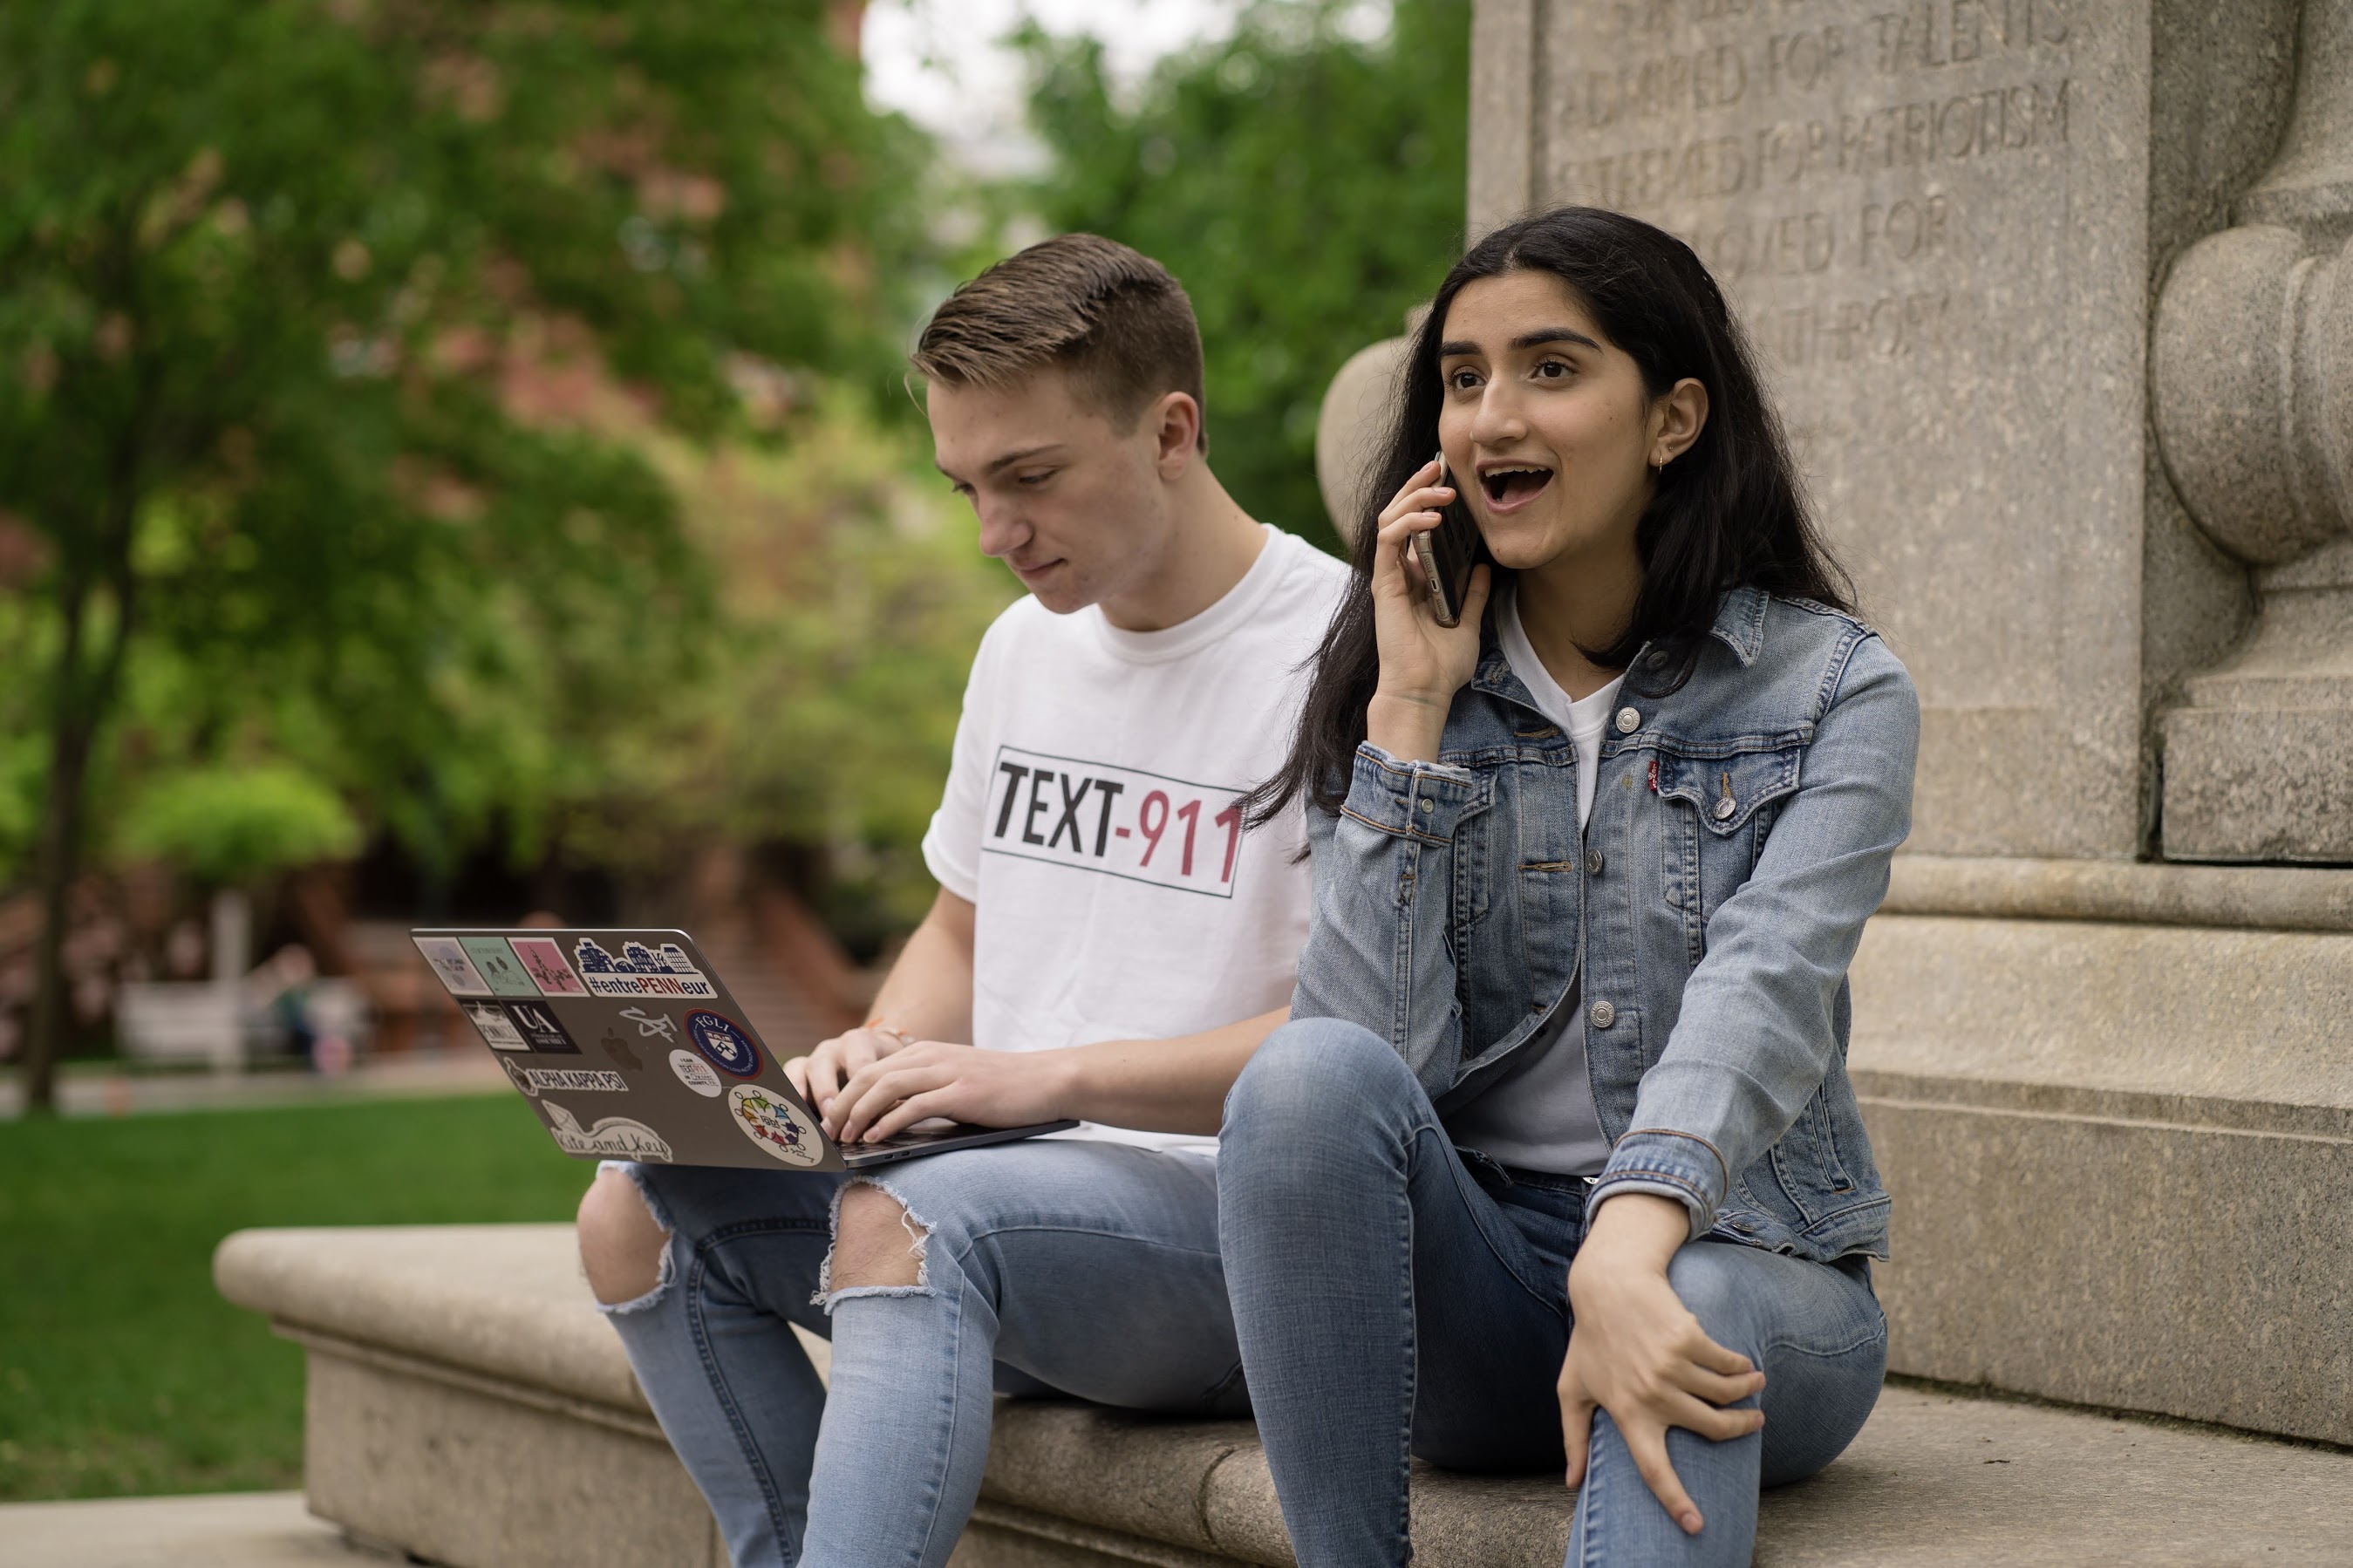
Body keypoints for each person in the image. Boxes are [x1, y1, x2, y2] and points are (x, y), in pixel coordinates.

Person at [574, 234, 1347, 1568]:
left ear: (1172, 430)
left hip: (1233, 1242)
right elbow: (959, 925)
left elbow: (1346, 1053)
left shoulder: (1349, 659)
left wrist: (1029, 1081)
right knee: (635, 1204)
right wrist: (880, 1052)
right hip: (995, 1184)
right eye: (966, 488)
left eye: (1030, 478)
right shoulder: (1023, 646)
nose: (995, 534)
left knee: (907, 1220)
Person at [1219, 206, 1919, 1566]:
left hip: (1749, 1270)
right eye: (1463, 377)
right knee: (1299, 1079)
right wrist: (1410, 713)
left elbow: (1764, 986)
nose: (1489, 418)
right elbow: (1370, 1062)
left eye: (1550, 367)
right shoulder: (1395, 681)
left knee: (1692, 1293)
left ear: (1673, 419)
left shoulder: (1831, 689)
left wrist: (1631, 1232)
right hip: (1483, 1291)